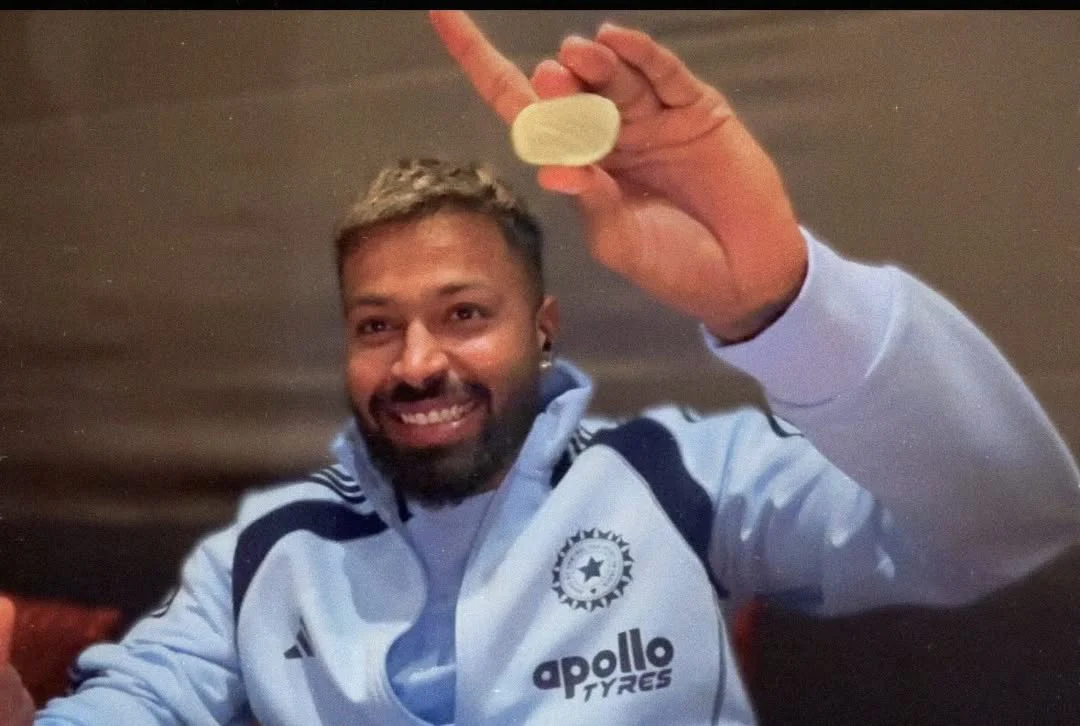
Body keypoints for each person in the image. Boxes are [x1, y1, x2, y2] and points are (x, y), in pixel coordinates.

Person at [4, 9, 1079, 725]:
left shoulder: (679, 480)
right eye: (375, 326)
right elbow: (136, 703)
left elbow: (1008, 515)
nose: (416, 361)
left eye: (464, 314)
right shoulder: (265, 552)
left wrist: (781, 300)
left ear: (544, 329)